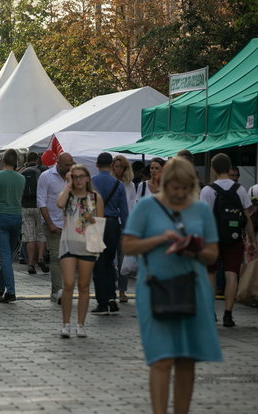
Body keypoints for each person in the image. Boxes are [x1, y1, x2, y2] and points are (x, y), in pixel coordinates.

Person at [122, 157, 222, 414]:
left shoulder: (200, 209)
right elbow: (128, 245)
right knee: (162, 358)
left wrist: (194, 249)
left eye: (184, 188)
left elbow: (213, 254)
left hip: (193, 288)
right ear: (164, 183)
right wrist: (160, 239)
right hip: (156, 289)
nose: (179, 194)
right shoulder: (146, 206)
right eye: (174, 188)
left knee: (186, 359)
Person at [199, 153, 256, 327]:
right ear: (229, 168)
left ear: (214, 169)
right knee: (232, 274)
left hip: (212, 239)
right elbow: (247, 217)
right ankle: (228, 315)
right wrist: (252, 241)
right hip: (234, 238)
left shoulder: (207, 190)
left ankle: (210, 313)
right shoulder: (239, 189)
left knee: (211, 275)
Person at [56, 164, 104, 338]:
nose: (78, 180)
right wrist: (67, 185)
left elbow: (100, 222)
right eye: (74, 176)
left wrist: (91, 219)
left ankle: (80, 324)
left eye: (81, 176)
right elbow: (59, 203)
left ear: (87, 178)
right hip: (68, 244)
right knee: (68, 284)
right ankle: (66, 324)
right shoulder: (67, 195)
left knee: (83, 286)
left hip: (87, 245)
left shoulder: (95, 197)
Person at [0, 149, 25, 303]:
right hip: (16, 216)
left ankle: (11, 291)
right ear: (17, 162)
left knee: (5, 256)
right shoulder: (21, 178)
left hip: (1, 216)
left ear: (2, 160)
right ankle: (1, 288)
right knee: (9, 254)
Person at [91, 152, 129, 316]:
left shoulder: (91, 182)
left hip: (95, 223)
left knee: (98, 263)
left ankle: (102, 302)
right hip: (113, 224)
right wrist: (126, 231)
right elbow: (124, 211)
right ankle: (112, 295)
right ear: (111, 165)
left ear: (98, 165)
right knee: (110, 261)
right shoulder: (118, 184)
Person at [38, 152, 75, 303]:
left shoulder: (73, 178)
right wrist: (50, 223)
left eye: (71, 164)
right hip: (52, 223)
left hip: (70, 225)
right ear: (58, 163)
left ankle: (63, 289)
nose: (69, 167)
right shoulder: (46, 176)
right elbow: (41, 201)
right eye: (66, 165)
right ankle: (57, 291)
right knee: (56, 257)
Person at [111, 155, 136, 302]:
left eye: (121, 166)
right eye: (116, 166)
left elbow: (132, 205)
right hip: (112, 221)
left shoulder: (130, 185)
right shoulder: (111, 182)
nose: (118, 169)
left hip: (124, 223)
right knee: (110, 258)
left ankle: (122, 289)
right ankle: (112, 287)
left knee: (122, 257)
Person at [20, 152, 47, 274]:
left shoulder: (23, 171)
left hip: (26, 207)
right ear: (38, 159)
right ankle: (41, 258)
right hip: (40, 206)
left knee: (30, 237)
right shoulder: (43, 170)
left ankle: (31, 263)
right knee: (41, 235)